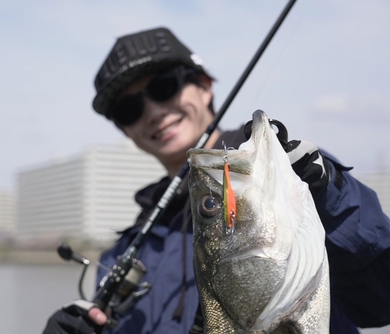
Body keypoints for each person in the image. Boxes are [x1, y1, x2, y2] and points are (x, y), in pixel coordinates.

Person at [44, 27, 390, 334]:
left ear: (205, 86)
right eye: (129, 110)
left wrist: (332, 196)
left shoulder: (299, 178)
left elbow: (381, 302)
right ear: (126, 131)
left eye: (164, 88)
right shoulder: (124, 253)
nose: (152, 112)